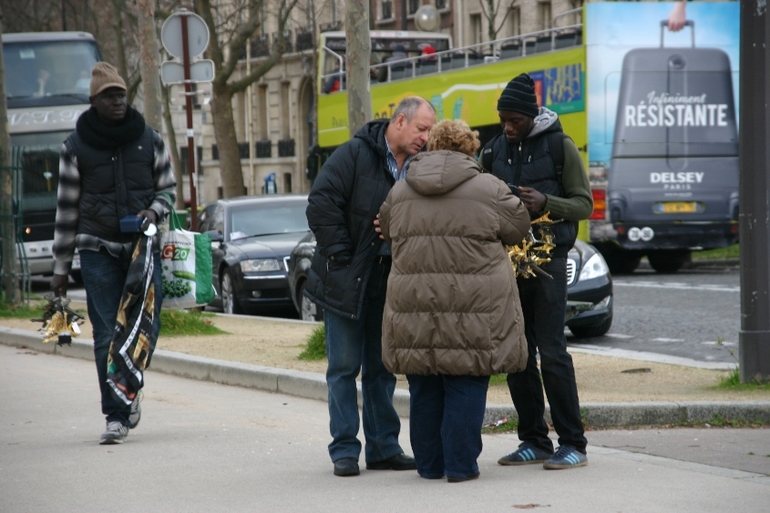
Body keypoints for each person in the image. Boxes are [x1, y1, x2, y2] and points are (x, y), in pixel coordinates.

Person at [378, 119, 530, 483]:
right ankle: (460, 467)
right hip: (475, 307)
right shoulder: (489, 188)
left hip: (415, 304)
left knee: (424, 386)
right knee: (466, 382)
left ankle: (429, 465)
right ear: (469, 149)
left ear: (432, 147)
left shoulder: (401, 190)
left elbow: (387, 226)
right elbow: (518, 227)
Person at [304, 96, 437, 477]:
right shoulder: (354, 154)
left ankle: (383, 448)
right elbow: (321, 203)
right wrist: (344, 254)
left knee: (383, 368)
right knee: (344, 367)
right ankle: (344, 450)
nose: (426, 138)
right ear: (399, 121)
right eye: (421, 129)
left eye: (429, 130)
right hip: (346, 277)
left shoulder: (421, 165)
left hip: (392, 279)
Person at [51, 62, 176, 445]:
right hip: (96, 249)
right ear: (94, 101)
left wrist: (153, 211)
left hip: (143, 248)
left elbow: (168, 190)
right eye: (110, 96)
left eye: (121, 94)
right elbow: (67, 210)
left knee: (144, 330)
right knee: (106, 332)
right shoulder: (75, 147)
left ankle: (130, 384)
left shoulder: (149, 138)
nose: (118, 101)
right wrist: (60, 267)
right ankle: (116, 414)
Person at [481, 73, 593, 469]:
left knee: (553, 351)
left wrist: (547, 202)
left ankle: (573, 443)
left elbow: (584, 205)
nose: (508, 128)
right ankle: (533, 440)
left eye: (515, 121)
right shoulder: (493, 152)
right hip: (506, 265)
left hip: (549, 262)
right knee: (518, 354)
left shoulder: (559, 146)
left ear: (531, 116)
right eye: (503, 120)